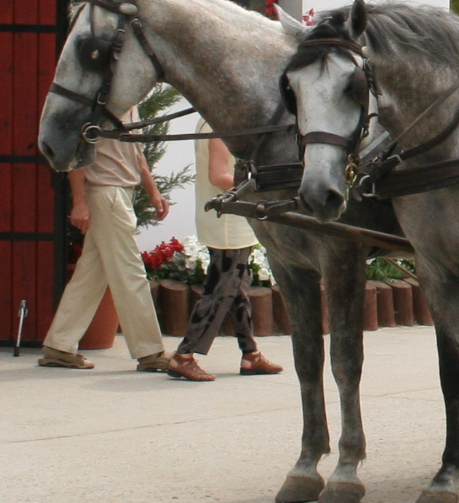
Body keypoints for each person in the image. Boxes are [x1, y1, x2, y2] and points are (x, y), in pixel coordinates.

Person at [40, 105, 177, 372]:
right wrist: (80, 202)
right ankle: (150, 352)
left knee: (90, 275)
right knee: (131, 274)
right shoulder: (97, 106)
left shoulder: (130, 106)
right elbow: (76, 154)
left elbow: (136, 154)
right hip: (107, 193)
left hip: (120, 194)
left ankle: (59, 346)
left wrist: (153, 191)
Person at [165, 137, 284, 381]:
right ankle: (183, 356)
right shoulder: (217, 131)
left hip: (232, 219)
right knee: (221, 289)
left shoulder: (213, 125)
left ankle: (250, 355)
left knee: (237, 287)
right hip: (227, 221)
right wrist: (260, 189)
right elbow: (218, 177)